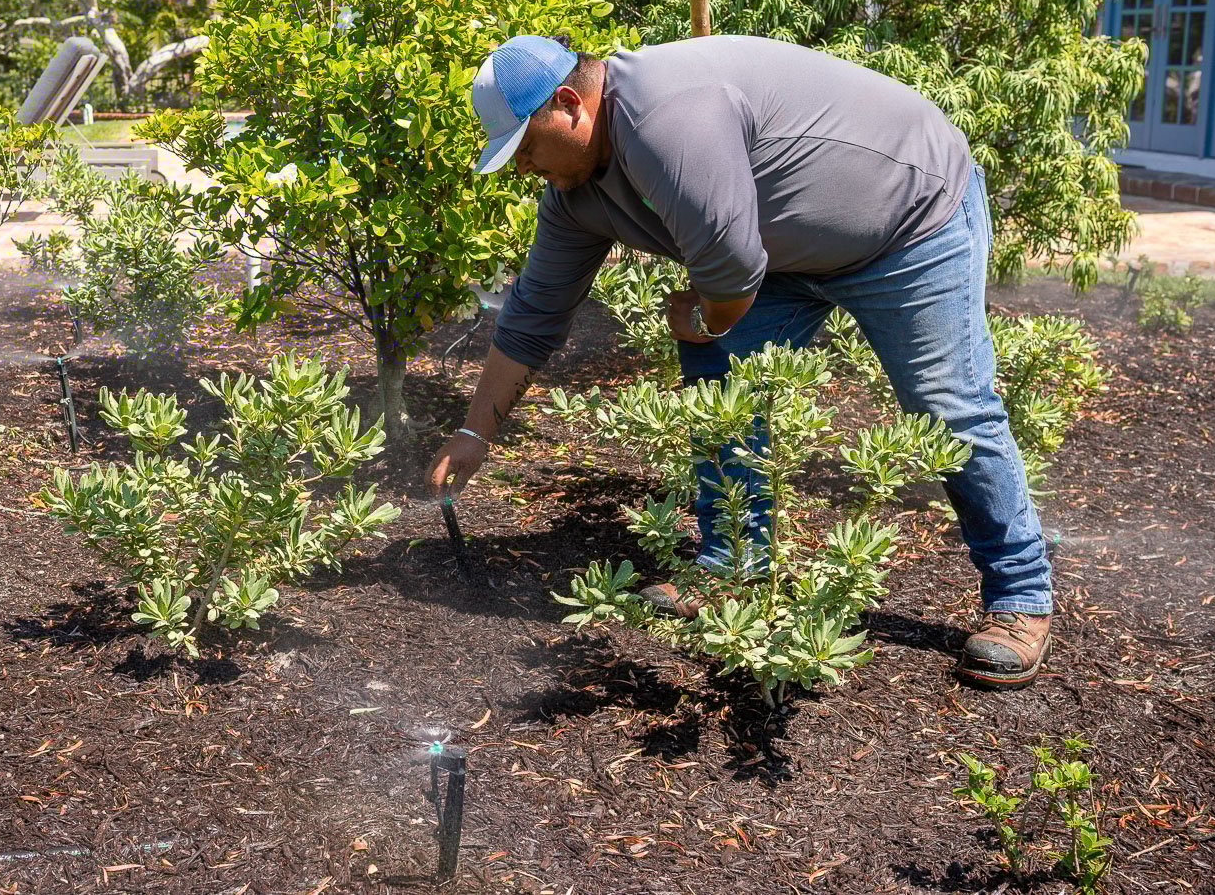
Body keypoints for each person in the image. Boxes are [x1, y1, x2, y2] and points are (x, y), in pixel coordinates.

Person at [425, 33, 1053, 690]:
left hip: (908, 217)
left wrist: (701, 316)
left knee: (946, 407)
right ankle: (733, 564)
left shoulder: (666, 118)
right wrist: (475, 432)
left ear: (568, 103)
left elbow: (730, 272)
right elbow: (533, 314)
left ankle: (1020, 596)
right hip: (784, 252)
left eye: (525, 147)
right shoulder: (576, 192)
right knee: (717, 368)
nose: (524, 168)